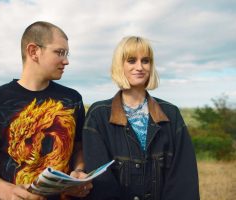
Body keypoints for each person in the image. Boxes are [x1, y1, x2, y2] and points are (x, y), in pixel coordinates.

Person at [0, 21, 92, 200]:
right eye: (59, 52)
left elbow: (79, 147)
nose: (66, 61)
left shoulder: (72, 99)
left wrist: (79, 172)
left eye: (66, 53)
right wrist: (7, 191)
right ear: (33, 51)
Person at [82, 36, 200, 200]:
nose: (140, 67)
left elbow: (183, 178)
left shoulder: (171, 114)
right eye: (131, 60)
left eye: (145, 61)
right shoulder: (98, 115)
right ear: (119, 65)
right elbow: (101, 181)